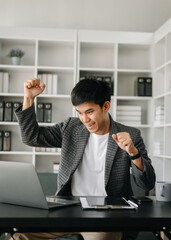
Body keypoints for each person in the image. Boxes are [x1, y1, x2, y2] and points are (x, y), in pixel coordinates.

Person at [14, 78, 156, 240]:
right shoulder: (71, 128)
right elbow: (32, 138)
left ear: (106, 106)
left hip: (107, 214)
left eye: (89, 112)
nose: (84, 119)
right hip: (67, 209)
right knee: (18, 234)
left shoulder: (131, 135)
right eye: (79, 113)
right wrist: (29, 98)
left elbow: (147, 183)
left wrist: (133, 152)